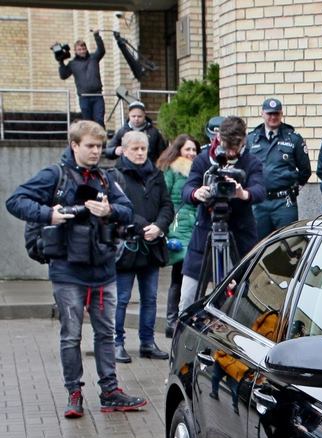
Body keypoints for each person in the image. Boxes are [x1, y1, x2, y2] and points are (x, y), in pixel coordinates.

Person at [5, 120, 145, 418]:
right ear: (74, 145)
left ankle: (110, 392)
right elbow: (15, 201)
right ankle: (74, 393)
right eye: (90, 146)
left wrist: (109, 210)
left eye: (99, 146)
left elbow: (128, 210)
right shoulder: (54, 175)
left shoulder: (106, 178)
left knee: (106, 334)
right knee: (71, 335)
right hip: (68, 272)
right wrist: (49, 214)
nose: (96, 152)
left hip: (104, 269)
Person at [179, 116, 266, 309]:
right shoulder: (203, 160)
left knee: (236, 302)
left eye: (237, 146)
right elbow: (186, 190)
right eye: (227, 146)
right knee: (187, 299)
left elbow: (260, 191)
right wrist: (197, 193)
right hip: (205, 236)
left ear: (244, 140)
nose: (232, 151)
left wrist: (243, 193)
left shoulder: (251, 162)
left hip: (239, 236)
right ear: (218, 137)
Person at [112, 131, 173, 363]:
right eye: (135, 149)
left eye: (143, 149)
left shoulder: (156, 175)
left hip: (153, 245)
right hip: (127, 246)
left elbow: (167, 205)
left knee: (150, 298)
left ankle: (147, 342)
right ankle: (117, 343)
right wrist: (143, 226)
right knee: (122, 298)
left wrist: (159, 226)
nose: (139, 153)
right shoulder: (114, 176)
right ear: (124, 149)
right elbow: (117, 207)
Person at [248, 97, 312, 239]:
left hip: (284, 203)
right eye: (269, 113)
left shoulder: (293, 138)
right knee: (258, 246)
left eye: (276, 113)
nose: (273, 117)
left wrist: (294, 187)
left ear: (281, 114)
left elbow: (305, 170)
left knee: (289, 244)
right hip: (259, 203)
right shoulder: (251, 139)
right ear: (262, 113)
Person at [157, 134, 199, 338]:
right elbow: (164, 197)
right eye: (188, 149)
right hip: (178, 224)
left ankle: (184, 318)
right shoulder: (172, 169)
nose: (191, 153)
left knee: (191, 274)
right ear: (179, 150)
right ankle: (172, 320)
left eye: (194, 150)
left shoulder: (200, 170)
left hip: (196, 224)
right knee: (180, 274)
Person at [57, 32, 105, 126]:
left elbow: (101, 50)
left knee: (99, 119)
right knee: (88, 122)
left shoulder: (93, 58)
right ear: (75, 51)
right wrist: (61, 63)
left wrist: (96, 35)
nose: (82, 51)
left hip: (97, 95)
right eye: (79, 49)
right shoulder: (72, 64)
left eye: (83, 48)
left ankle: (101, 140)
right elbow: (63, 75)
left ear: (86, 49)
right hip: (84, 97)